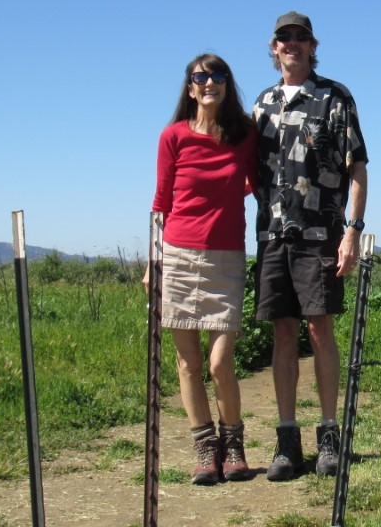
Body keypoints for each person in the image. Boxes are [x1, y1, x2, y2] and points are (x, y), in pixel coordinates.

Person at [253, 11, 368, 480]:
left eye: (301, 38)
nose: (292, 46)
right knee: (283, 334)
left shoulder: (335, 98)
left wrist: (354, 231)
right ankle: (286, 442)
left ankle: (328, 436)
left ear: (312, 46)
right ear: (273, 48)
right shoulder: (261, 105)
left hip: (321, 235)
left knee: (320, 332)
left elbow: (357, 168)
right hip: (272, 237)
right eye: (285, 40)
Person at [145, 53, 258, 485]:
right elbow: (161, 200)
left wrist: (230, 196)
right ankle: (205, 449)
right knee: (187, 363)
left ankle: (234, 445)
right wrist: (153, 262)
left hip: (226, 257)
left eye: (218, 76)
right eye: (200, 77)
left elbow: (257, 183)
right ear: (190, 87)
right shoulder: (172, 136)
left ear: (227, 85)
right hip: (176, 255)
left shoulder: (245, 134)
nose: (209, 82)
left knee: (219, 363)